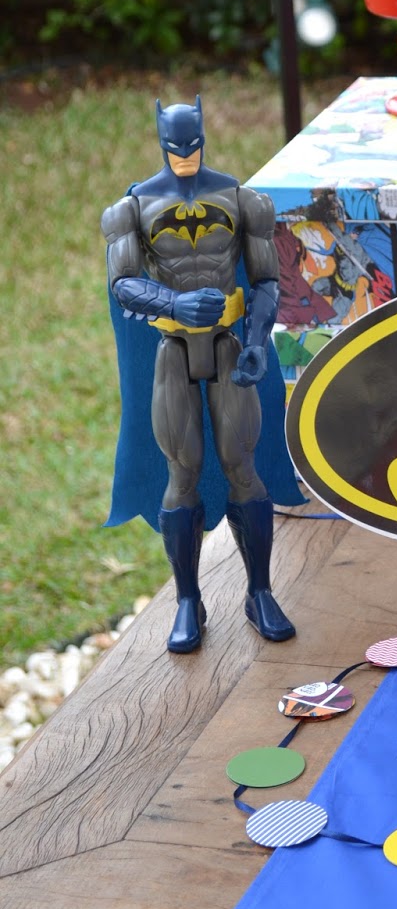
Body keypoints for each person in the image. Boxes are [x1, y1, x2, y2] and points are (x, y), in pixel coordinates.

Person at [101, 97, 296, 654]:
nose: (184, 155)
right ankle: (188, 599)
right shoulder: (132, 208)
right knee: (181, 469)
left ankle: (260, 592)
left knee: (243, 465)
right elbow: (123, 284)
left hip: (230, 343)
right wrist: (173, 302)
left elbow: (266, 282)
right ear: (161, 139)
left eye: (192, 145)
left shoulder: (241, 200)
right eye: (175, 146)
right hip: (173, 346)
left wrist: (256, 342)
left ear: (204, 136)